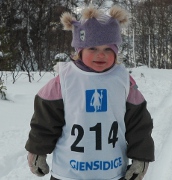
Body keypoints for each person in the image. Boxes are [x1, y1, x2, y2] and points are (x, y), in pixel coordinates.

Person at [25, 5, 154, 180]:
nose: (101, 55)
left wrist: (141, 156)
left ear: (116, 52)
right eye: (93, 48)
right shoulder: (65, 80)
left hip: (112, 170)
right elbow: (45, 120)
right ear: (79, 51)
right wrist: (37, 149)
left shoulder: (123, 80)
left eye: (108, 49)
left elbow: (138, 123)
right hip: (69, 171)